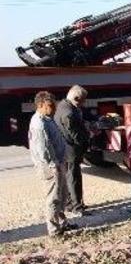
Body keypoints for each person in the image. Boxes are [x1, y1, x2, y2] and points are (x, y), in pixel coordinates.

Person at [28, 91, 77, 237]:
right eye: (50, 106)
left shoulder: (47, 119)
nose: (54, 109)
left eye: (54, 105)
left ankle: (62, 223)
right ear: (40, 105)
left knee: (61, 196)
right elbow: (43, 149)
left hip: (57, 163)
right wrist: (53, 165)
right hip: (50, 166)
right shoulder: (39, 123)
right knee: (53, 198)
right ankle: (54, 230)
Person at [54, 85, 90, 216]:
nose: (84, 103)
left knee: (70, 177)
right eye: (82, 100)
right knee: (73, 178)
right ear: (76, 98)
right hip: (71, 151)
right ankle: (77, 207)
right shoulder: (69, 113)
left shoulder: (63, 105)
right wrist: (89, 135)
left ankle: (70, 204)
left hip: (65, 149)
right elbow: (75, 135)